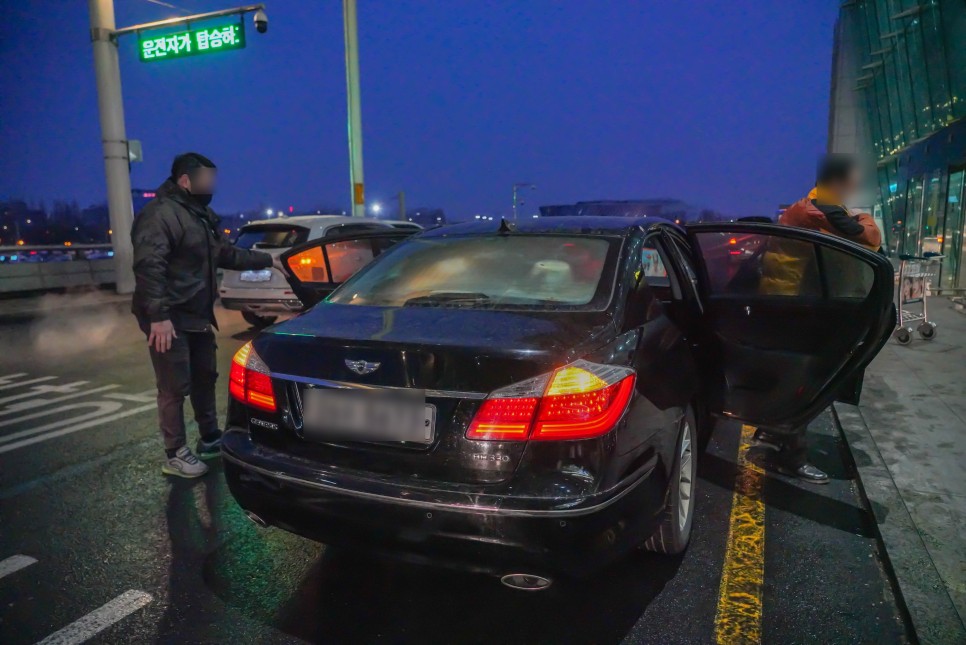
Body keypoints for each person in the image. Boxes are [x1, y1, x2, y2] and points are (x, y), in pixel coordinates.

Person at [131, 152, 277, 478]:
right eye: (207, 179)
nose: (212, 185)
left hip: (196, 314)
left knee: (204, 377)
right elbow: (148, 264)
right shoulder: (161, 215)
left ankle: (210, 438)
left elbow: (222, 253)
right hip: (170, 315)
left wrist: (267, 261)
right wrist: (157, 315)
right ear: (186, 180)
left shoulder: (197, 214)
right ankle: (175, 453)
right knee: (173, 386)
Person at [755, 154, 881, 484]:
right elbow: (867, 237)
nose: (855, 185)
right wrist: (866, 217)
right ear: (840, 181)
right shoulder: (820, 209)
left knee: (791, 373)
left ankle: (771, 430)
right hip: (793, 304)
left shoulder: (811, 204)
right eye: (852, 179)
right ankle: (791, 457)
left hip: (787, 300)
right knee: (807, 380)